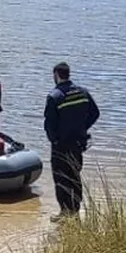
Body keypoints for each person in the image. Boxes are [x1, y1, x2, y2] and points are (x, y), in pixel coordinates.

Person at [44, 61, 99, 217]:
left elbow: (49, 124)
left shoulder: (55, 96)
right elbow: (95, 113)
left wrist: (54, 140)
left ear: (56, 75)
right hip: (78, 144)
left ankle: (64, 212)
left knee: (61, 178)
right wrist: (83, 128)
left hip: (61, 145)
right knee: (75, 176)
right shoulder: (83, 92)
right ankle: (74, 210)